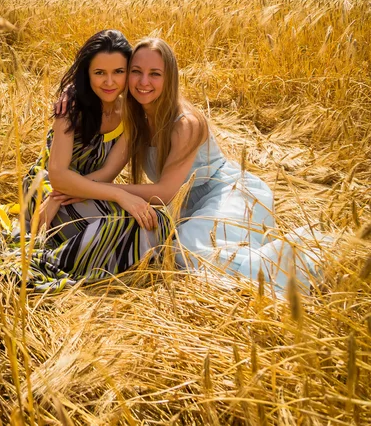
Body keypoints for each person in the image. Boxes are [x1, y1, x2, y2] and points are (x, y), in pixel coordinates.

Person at [51, 38, 328, 295]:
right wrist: (62, 193)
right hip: (184, 209)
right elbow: (106, 174)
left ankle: (309, 261)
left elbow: (166, 192)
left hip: (228, 194)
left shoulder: (185, 124)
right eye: (136, 71)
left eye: (155, 74)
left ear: (169, 77)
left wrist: (106, 191)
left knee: (188, 252)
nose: (143, 81)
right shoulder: (134, 117)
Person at [21, 30, 171, 292]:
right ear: (87, 73)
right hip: (47, 192)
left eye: (118, 72)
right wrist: (119, 196)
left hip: (83, 191)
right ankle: (62, 260)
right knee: (122, 225)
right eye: (99, 73)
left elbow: (107, 172)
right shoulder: (71, 105)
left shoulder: (131, 112)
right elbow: (57, 174)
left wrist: (88, 190)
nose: (109, 82)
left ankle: (90, 254)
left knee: (157, 222)